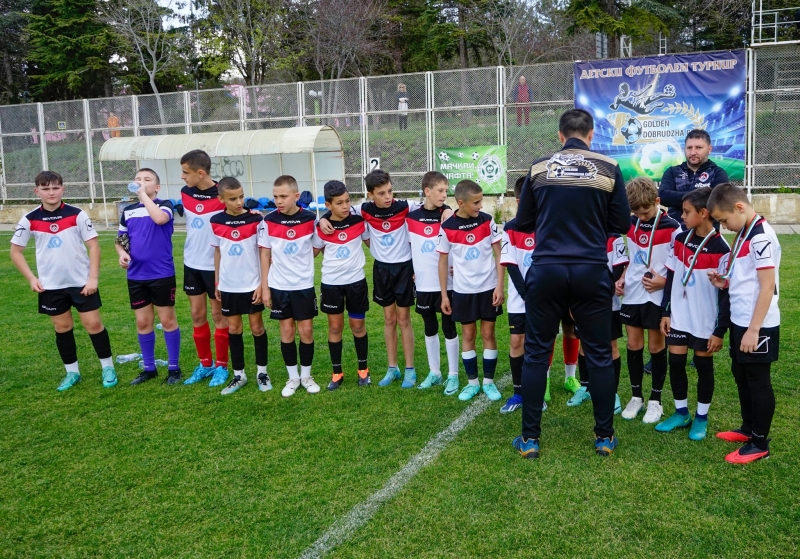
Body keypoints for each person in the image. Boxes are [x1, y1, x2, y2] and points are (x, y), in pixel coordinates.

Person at [513, 108, 630, 459]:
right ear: (591, 135)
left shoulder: (539, 168)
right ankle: (604, 437)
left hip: (547, 268)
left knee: (536, 353)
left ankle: (530, 439)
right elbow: (622, 223)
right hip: (590, 269)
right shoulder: (608, 167)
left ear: (560, 136)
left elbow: (523, 222)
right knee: (598, 354)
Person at [10, 171, 117, 391]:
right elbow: (15, 251)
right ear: (37, 191)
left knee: (94, 325)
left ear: (63, 189)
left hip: (82, 283)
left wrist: (93, 278)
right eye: (45, 188)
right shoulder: (30, 219)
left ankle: (108, 368)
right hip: (51, 286)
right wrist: (31, 278)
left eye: (55, 187)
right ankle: (72, 373)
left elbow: (94, 247)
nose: (51, 192)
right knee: (62, 327)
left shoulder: (77, 214)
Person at [319, 169, 421, 388]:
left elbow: (430, 205)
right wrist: (322, 219)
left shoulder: (405, 206)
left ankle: (410, 369)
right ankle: (392, 368)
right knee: (389, 319)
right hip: (381, 269)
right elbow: (337, 209)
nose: (388, 197)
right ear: (370, 195)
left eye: (390, 191)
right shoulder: (363, 209)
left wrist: (447, 210)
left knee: (404, 319)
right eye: (381, 193)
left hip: (404, 268)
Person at [708, 183, 781, 464]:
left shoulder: (761, 236)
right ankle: (748, 429)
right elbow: (746, 277)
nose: (724, 226)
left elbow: (766, 287)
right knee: (741, 374)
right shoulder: (744, 232)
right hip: (741, 320)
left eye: (724, 220)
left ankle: (759, 443)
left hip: (758, 325)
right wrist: (724, 282)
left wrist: (753, 330)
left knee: (758, 381)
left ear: (739, 207)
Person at [656, 188, 730, 440]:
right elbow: (670, 277)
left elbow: (725, 294)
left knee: (703, 366)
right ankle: (681, 413)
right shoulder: (680, 240)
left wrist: (719, 330)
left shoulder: (721, 248)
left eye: (687, 212)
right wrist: (666, 311)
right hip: (679, 315)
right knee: (676, 363)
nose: (682, 216)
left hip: (704, 320)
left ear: (704, 213)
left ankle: (701, 417)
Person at [617, 177, 680, 424]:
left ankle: (655, 400)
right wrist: (623, 277)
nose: (641, 217)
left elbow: (679, 265)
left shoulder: (673, 227)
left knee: (655, 346)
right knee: (633, 344)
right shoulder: (630, 223)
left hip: (656, 294)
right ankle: (636, 397)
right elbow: (634, 257)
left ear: (657, 201)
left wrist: (664, 283)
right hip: (633, 292)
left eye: (645, 212)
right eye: (636, 213)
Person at [438, 180, 504, 402]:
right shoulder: (447, 227)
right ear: (460, 203)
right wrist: (444, 295)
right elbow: (442, 262)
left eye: (481, 201)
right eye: (476, 202)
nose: (480, 206)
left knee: (488, 334)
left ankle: (489, 382)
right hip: (463, 290)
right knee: (468, 335)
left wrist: (499, 285)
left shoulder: (487, 221)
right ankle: (472, 382)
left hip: (488, 288)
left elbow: (499, 254)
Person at [115, 168, 182, 386]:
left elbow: (160, 219)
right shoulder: (128, 211)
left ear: (157, 187)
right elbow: (120, 239)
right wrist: (122, 253)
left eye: (147, 179)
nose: (141, 182)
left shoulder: (165, 205)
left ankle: (174, 369)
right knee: (143, 322)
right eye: (137, 179)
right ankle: (149, 368)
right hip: (136, 275)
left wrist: (143, 195)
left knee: (167, 320)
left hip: (161, 274)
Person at [258, 175, 320, 397]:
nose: (278, 201)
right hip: (279, 285)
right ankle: (293, 378)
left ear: (296, 196)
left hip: (303, 285)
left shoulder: (310, 219)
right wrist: (265, 288)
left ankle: (306, 377)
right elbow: (264, 255)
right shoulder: (268, 221)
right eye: (275, 196)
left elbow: (316, 247)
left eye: (283, 196)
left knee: (306, 331)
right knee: (286, 331)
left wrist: (301, 261)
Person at [210, 177, 268, 395]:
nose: (239, 202)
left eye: (241, 197)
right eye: (233, 199)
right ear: (221, 200)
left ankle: (262, 373)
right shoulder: (216, 221)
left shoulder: (255, 219)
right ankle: (239, 375)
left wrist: (262, 284)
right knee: (234, 329)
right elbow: (217, 252)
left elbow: (264, 253)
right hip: (229, 285)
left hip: (252, 284)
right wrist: (217, 282)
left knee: (257, 327)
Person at [312, 180, 372, 390]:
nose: (345, 206)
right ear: (328, 205)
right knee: (335, 327)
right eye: (339, 203)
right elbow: (311, 253)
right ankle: (337, 373)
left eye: (347, 201)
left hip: (356, 283)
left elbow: (372, 243)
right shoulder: (322, 228)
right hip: (331, 284)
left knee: (358, 326)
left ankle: (363, 370)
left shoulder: (358, 221)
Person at [179, 149, 231, 388]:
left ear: (200, 173)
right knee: (197, 315)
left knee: (218, 315)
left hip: (215, 266)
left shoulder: (222, 195)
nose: (182, 177)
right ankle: (205, 364)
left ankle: (221, 366)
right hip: (192, 264)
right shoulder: (185, 192)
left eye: (185, 172)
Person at [406, 171, 460, 392]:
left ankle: (453, 375)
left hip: (447, 283)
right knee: (429, 327)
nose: (444, 195)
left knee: (449, 326)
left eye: (446, 191)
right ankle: (434, 372)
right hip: (424, 283)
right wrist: (413, 270)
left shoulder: (449, 216)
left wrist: (458, 266)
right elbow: (409, 247)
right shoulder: (411, 218)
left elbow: (458, 244)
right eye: (440, 190)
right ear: (427, 191)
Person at [569, 233, 628, 413]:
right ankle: (585, 387)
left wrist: (601, 290)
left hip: (608, 302)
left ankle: (612, 393)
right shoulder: (578, 234)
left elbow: (619, 267)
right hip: (582, 302)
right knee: (584, 345)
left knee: (611, 347)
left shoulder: (614, 237)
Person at [500, 176, 536, 414]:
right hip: (519, 298)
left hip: (542, 299)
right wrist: (525, 293)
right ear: (518, 201)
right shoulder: (510, 228)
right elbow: (511, 264)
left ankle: (536, 392)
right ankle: (518, 392)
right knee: (517, 342)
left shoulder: (547, 226)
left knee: (537, 346)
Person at [658, 129, 730, 223]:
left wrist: (677, 197)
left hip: (707, 230)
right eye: (689, 148)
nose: (693, 152)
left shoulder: (718, 173)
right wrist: (701, 196)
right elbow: (663, 197)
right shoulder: (672, 172)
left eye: (698, 147)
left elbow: (715, 201)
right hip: (676, 229)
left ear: (709, 149)